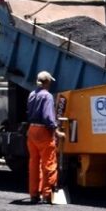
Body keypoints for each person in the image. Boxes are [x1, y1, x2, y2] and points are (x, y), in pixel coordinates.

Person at [26, 71, 63, 204]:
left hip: (32, 130)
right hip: (43, 131)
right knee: (49, 163)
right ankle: (48, 194)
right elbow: (48, 117)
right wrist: (56, 130)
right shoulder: (47, 96)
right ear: (47, 82)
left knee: (34, 163)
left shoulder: (32, 94)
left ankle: (34, 194)